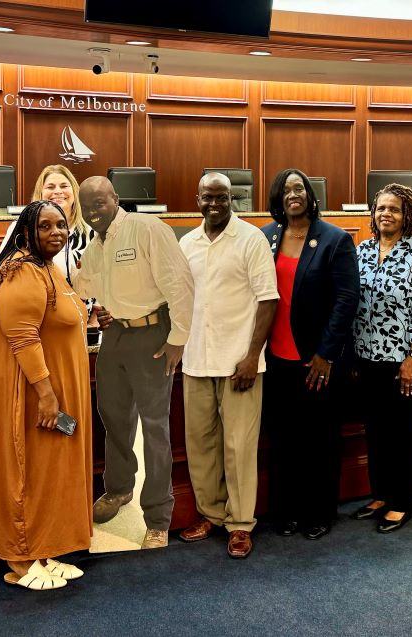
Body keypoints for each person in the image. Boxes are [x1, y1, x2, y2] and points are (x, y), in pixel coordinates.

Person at [0, 200, 96, 589]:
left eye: (61, 225)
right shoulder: (21, 272)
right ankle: (19, 557)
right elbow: (24, 338)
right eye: (45, 226)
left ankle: (44, 548)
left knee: (49, 470)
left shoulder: (47, 267)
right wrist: (46, 395)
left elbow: (62, 315)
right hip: (32, 391)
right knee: (25, 469)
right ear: (27, 229)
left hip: (56, 387)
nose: (56, 233)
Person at [73, 176, 194, 549]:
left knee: (154, 427)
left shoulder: (147, 229)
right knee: (112, 415)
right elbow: (81, 286)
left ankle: (158, 515)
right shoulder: (96, 244)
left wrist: (178, 339)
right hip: (116, 337)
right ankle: (119, 489)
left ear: (116, 200)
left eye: (99, 204)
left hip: (153, 337)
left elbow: (180, 283)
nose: (93, 213)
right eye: (87, 206)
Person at [176, 173, 278, 559]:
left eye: (221, 198)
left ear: (231, 198)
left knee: (239, 446)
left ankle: (239, 524)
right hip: (196, 359)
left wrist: (253, 355)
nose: (214, 205)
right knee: (200, 444)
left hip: (240, 362)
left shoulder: (250, 239)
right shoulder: (187, 243)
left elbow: (268, 300)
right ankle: (211, 514)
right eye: (207, 198)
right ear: (197, 198)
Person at [260, 168, 359, 541]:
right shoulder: (266, 237)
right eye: (285, 190)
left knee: (320, 440)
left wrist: (326, 354)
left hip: (316, 361)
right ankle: (287, 511)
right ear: (277, 198)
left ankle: (319, 512)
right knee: (284, 440)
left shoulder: (334, 239)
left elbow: (347, 300)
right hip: (276, 360)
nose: (292, 194)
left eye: (299, 187)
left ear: (310, 193)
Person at [349, 183, 412, 534]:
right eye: (381, 208)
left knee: (401, 433)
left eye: (394, 209)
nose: (386, 214)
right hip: (366, 357)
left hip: (403, 361)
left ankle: (402, 500)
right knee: (375, 431)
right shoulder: (363, 250)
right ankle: (381, 494)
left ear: (406, 216)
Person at [0, 165, 95, 282]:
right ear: (41, 193)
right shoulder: (21, 228)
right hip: (40, 297)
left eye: (64, 186)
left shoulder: (92, 229)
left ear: (75, 192)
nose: (58, 191)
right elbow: (2, 270)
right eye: (50, 187)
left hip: (87, 298)